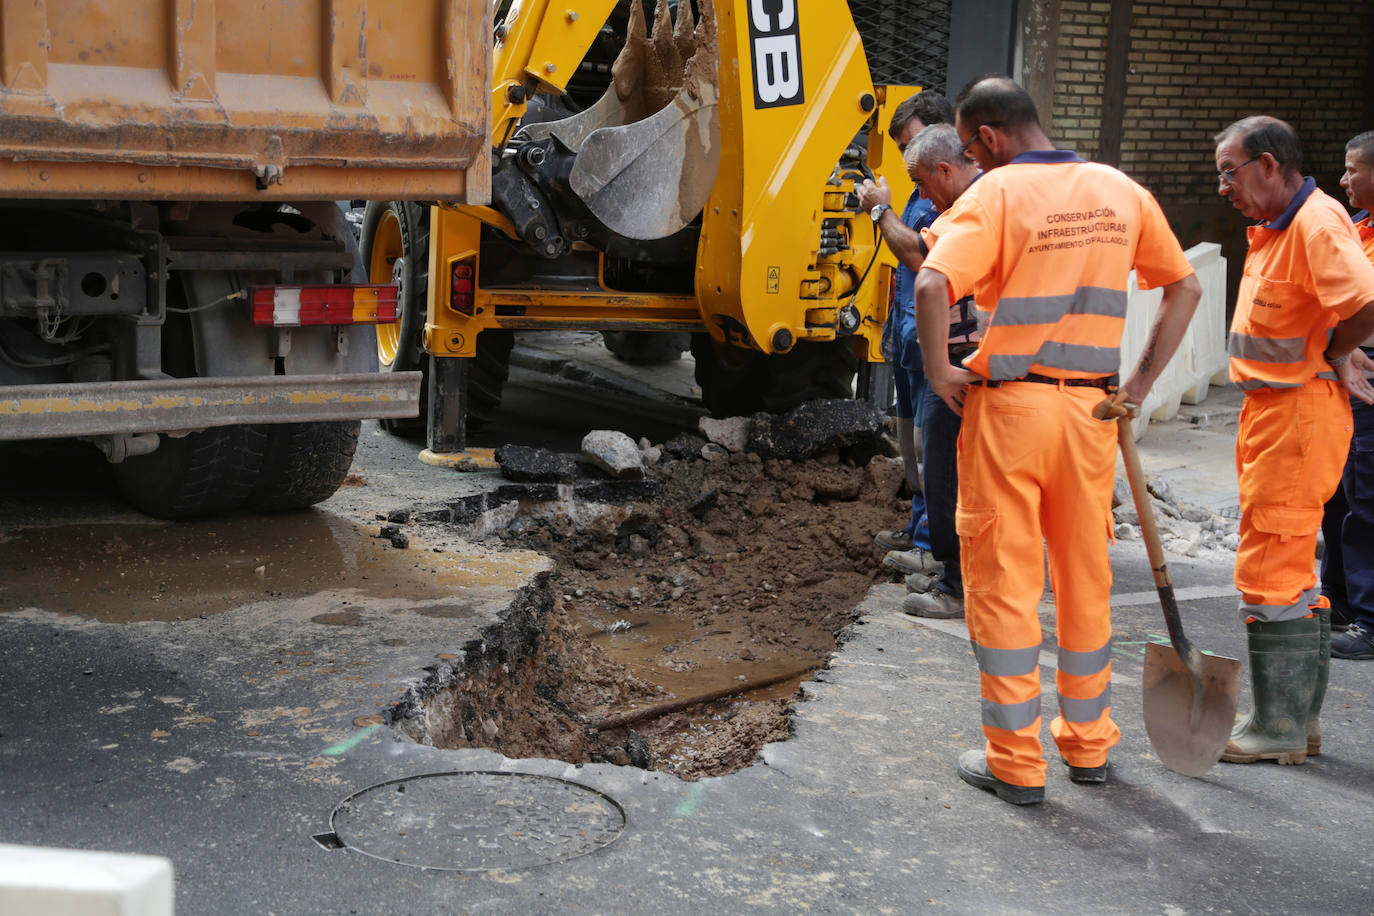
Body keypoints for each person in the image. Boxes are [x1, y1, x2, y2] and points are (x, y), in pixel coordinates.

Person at [914, 76, 1201, 804]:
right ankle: (1089, 746)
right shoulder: (1121, 189)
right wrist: (1135, 387)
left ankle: (1015, 762)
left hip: (1011, 410)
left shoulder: (997, 195)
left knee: (1007, 583)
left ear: (986, 138)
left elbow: (931, 284)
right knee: (1085, 581)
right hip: (1092, 415)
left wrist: (941, 369)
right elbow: (1185, 288)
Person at [1212, 117, 1374, 767]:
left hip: (1297, 415)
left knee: (1270, 570)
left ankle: (1278, 725)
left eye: (1230, 171)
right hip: (1277, 411)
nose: (1224, 186)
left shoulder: (1315, 222)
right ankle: (1297, 720)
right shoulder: (1282, 224)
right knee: (1292, 571)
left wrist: (1336, 348)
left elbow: (1365, 299)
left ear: (1270, 164)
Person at [861, 124, 983, 618]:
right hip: (972, 358)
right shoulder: (970, 204)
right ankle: (956, 572)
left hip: (963, 361)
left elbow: (924, 264)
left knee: (947, 471)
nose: (923, 197)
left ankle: (956, 583)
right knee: (943, 467)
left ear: (946, 168)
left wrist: (938, 370)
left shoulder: (974, 209)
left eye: (923, 182)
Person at [860, 91, 954, 578]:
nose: (905, 157)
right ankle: (918, 526)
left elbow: (920, 256)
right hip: (905, 325)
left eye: (911, 142)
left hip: (926, 332)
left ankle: (927, 542)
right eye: (900, 147)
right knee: (909, 440)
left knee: (926, 438)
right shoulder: (920, 193)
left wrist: (881, 213)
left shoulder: (944, 198)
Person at [1319, 130, 1374, 661]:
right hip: (1344, 374)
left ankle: (1370, 621)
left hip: (1368, 377)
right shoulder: (1357, 230)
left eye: (1353, 168)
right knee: (1335, 493)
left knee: (1366, 499)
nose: (1343, 179)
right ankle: (1335, 599)